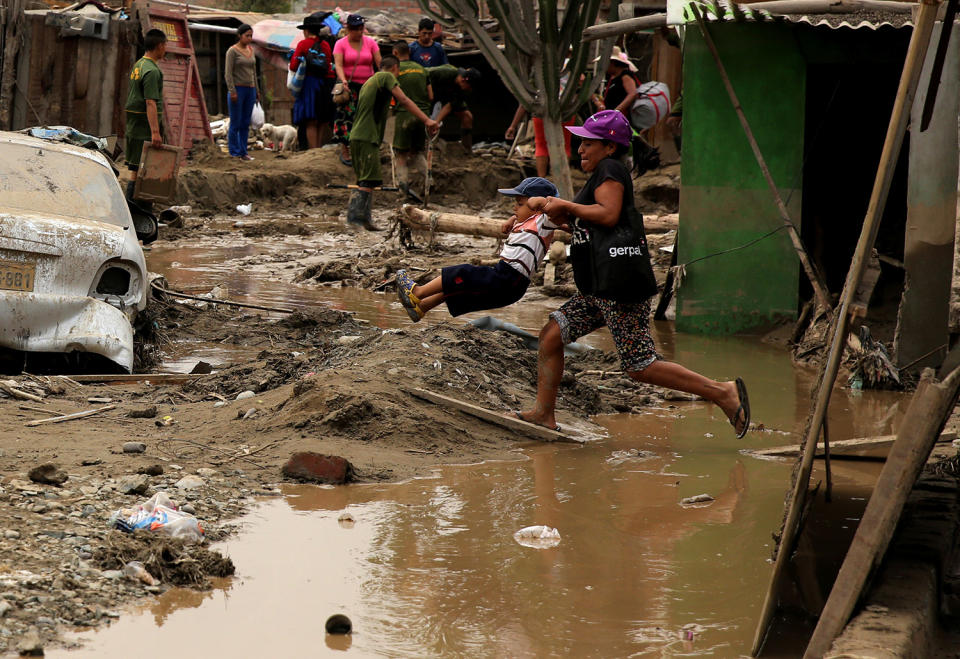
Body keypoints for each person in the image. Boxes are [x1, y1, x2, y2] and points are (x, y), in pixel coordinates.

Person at [514, 110, 751, 438]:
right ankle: (543, 413)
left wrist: (565, 205)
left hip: (618, 288)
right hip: (599, 289)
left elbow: (608, 215)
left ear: (609, 148)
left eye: (587, 142)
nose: (580, 148)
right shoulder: (602, 173)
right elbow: (593, 220)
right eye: (580, 142)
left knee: (640, 366)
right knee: (551, 336)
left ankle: (722, 392)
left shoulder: (610, 169)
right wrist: (562, 214)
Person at [395, 177, 561, 322]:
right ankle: (422, 307)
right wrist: (513, 219)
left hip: (510, 279)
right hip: (508, 279)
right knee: (460, 286)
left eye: (520, 204)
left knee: (463, 273)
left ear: (539, 206)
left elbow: (559, 209)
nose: (514, 208)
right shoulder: (529, 220)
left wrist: (544, 203)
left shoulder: (544, 221)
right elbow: (525, 215)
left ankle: (417, 292)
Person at [346, 56, 438, 231]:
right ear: (395, 68)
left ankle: (363, 220)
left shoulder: (370, 81)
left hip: (357, 136)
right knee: (369, 180)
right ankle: (356, 220)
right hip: (367, 136)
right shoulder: (386, 77)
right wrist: (427, 120)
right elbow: (404, 100)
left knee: (364, 179)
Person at [124, 28, 167, 205]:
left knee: (134, 168)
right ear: (159, 46)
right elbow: (150, 103)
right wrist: (155, 132)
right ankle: (139, 210)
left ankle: (131, 210)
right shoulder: (152, 71)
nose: (166, 50)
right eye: (165, 46)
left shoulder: (139, 65)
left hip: (134, 124)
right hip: (144, 126)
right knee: (145, 169)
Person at [333, 13, 381, 165]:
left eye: (361, 29)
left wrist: (381, 80)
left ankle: (365, 148)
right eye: (356, 29)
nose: (360, 32)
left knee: (367, 117)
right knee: (346, 117)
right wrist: (343, 80)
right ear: (349, 29)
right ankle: (345, 149)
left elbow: (379, 63)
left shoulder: (370, 43)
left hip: (368, 85)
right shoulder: (340, 44)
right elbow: (338, 65)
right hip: (349, 85)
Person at [391, 42, 432, 195]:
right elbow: (431, 96)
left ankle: (402, 188)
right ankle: (429, 182)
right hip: (423, 115)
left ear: (395, 53)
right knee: (418, 152)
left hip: (404, 115)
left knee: (401, 154)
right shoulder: (422, 69)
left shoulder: (395, 71)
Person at [290, 12, 336, 150]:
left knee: (310, 121)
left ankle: (313, 150)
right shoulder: (326, 45)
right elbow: (328, 64)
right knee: (321, 120)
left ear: (306, 31)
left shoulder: (303, 44)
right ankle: (319, 149)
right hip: (325, 85)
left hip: (309, 85)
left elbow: (293, 66)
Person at [225, 23, 260, 161]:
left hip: (250, 89)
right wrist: (232, 90)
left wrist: (257, 90)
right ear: (240, 36)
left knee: (246, 122)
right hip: (238, 89)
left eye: (251, 36)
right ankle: (234, 152)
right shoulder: (232, 51)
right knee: (236, 122)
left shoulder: (251, 51)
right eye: (247, 36)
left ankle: (243, 151)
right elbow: (228, 73)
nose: (249, 38)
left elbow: (254, 72)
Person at [428, 64, 480, 151]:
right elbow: (423, 77)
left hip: (445, 98)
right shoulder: (445, 73)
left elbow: (450, 106)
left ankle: (466, 149)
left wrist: (437, 122)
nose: (470, 90)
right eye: (470, 87)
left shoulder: (463, 90)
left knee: (467, 116)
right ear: (464, 80)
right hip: (429, 93)